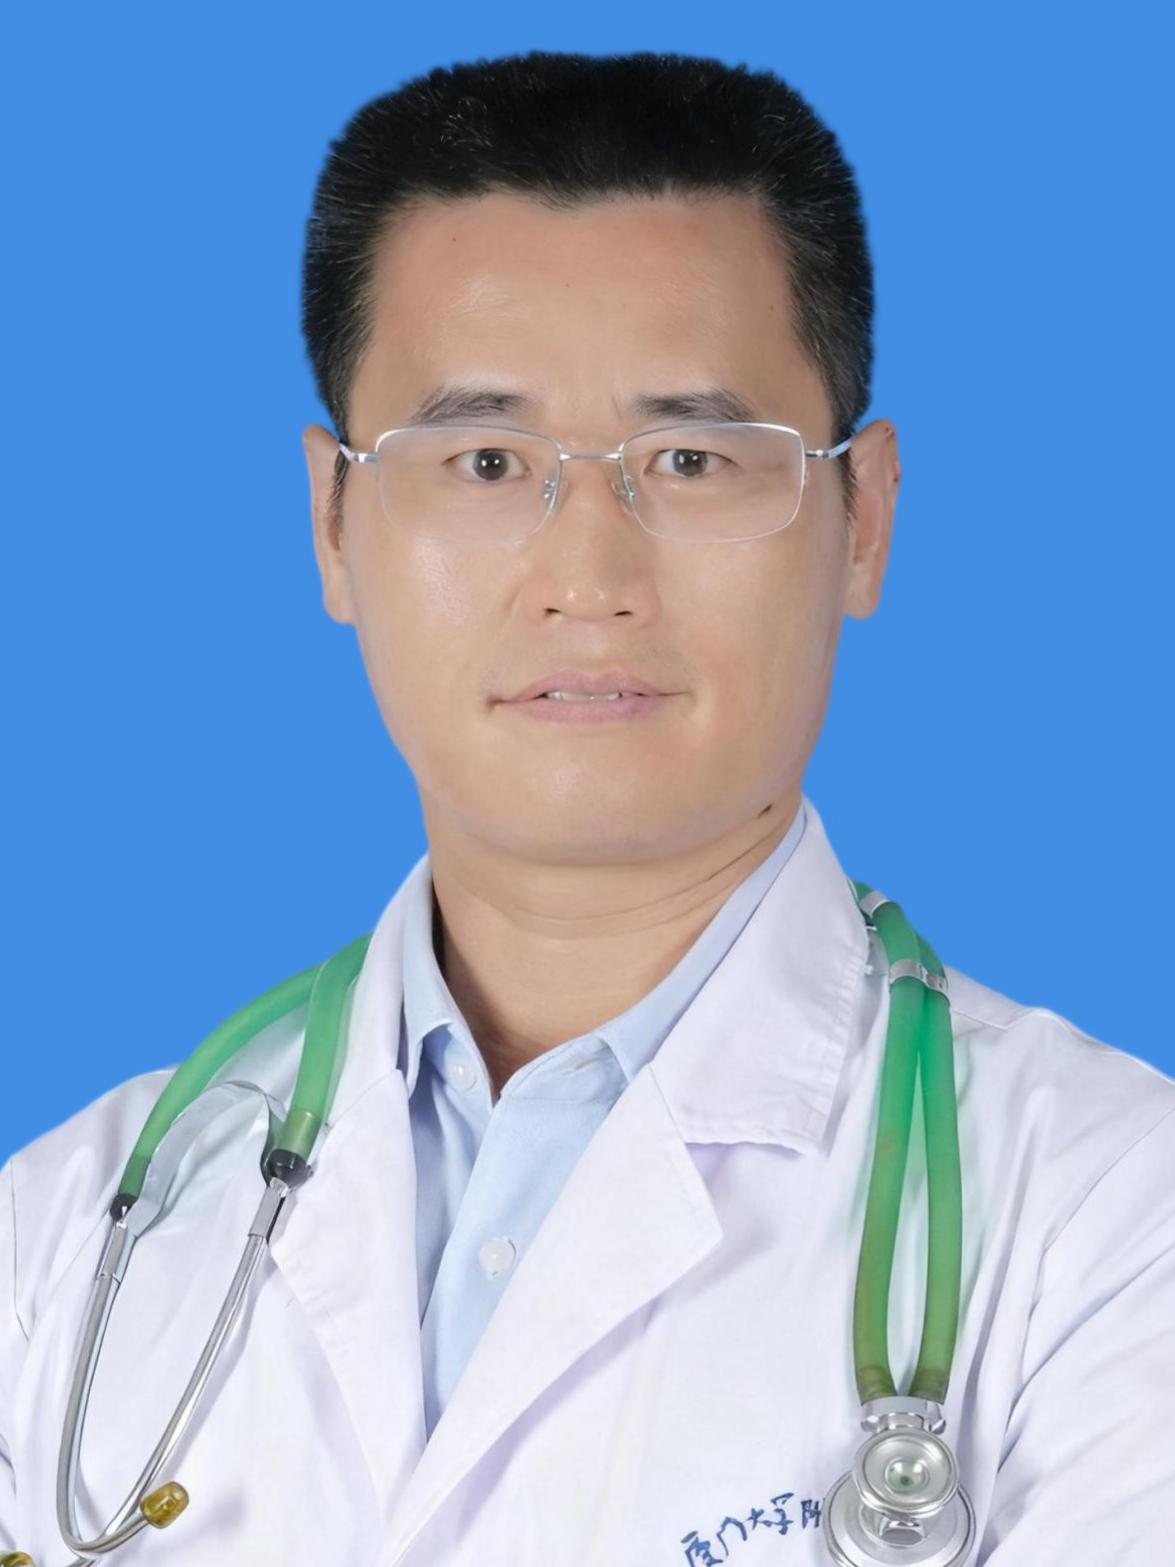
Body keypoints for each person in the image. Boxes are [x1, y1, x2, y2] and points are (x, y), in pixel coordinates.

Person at [1, 49, 1172, 1567]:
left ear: (865, 520)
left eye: (690, 458)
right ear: (334, 523)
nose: (589, 578)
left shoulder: (1110, 1222)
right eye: (486, 460)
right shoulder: (65, 1236)